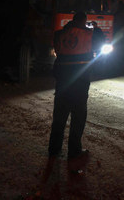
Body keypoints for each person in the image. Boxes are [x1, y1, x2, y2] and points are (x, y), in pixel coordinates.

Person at [48, 12, 94, 163]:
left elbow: (58, 49)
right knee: (78, 118)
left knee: (59, 118)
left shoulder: (59, 34)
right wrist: (94, 27)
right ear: (84, 21)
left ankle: (54, 150)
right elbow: (100, 42)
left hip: (63, 82)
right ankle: (74, 152)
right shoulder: (89, 34)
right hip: (80, 83)